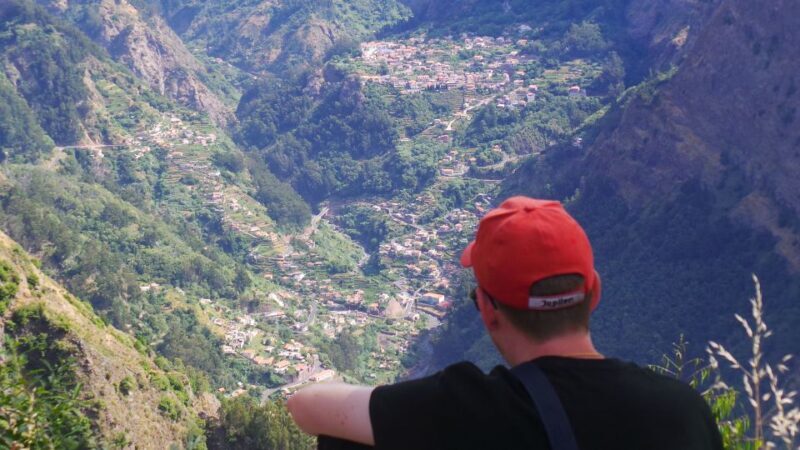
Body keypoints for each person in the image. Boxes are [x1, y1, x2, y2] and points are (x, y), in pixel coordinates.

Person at [287, 196, 723, 450]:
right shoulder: (683, 411)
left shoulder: (470, 409)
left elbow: (307, 407)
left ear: (488, 309)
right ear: (595, 293)